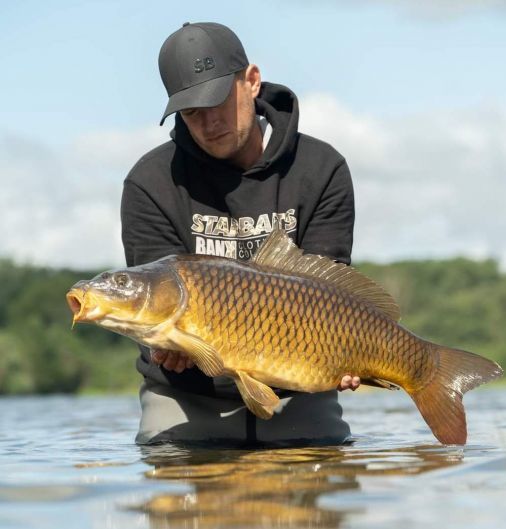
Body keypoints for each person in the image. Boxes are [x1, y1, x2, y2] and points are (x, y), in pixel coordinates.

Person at [121, 22, 360, 446]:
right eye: (192, 112)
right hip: (186, 400)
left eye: (218, 101)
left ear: (251, 81)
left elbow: (331, 290)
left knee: (323, 494)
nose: (210, 122)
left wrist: (346, 353)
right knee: (175, 501)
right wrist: (169, 347)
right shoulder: (150, 183)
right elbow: (155, 301)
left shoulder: (322, 169)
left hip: (298, 396)